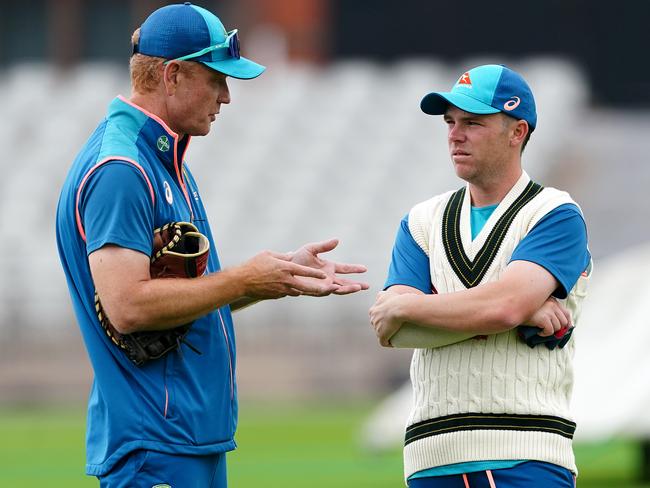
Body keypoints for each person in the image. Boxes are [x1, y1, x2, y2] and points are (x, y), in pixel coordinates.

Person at [55, 3, 368, 487]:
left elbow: (179, 300)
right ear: (173, 75)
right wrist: (243, 277)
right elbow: (128, 307)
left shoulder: (163, 159)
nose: (226, 96)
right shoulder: (122, 169)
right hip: (153, 446)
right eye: (217, 78)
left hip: (179, 439)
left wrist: (272, 280)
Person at [369, 64, 592, 487]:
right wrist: (516, 310)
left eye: (473, 122)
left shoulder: (554, 213)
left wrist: (413, 306)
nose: (455, 134)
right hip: (429, 455)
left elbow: (504, 306)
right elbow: (393, 330)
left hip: (524, 453)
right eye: (450, 122)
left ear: (517, 132)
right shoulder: (421, 221)